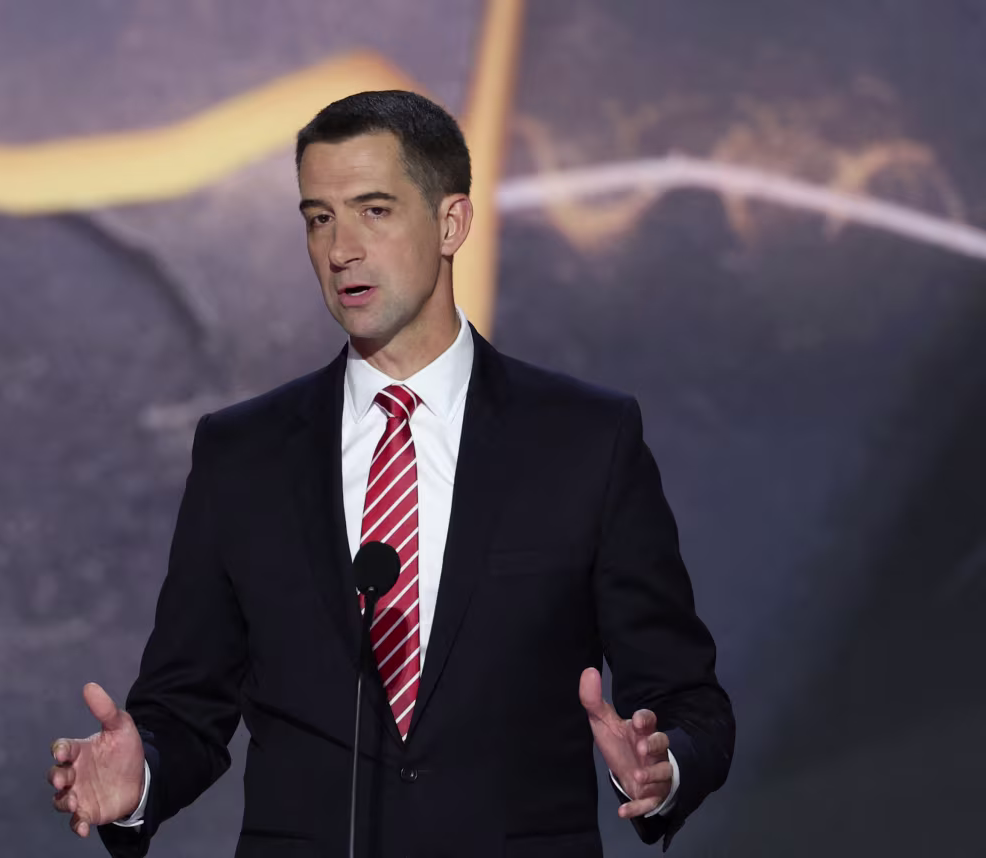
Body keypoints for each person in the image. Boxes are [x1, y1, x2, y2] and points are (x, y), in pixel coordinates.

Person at [47, 90, 734, 857]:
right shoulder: (242, 454)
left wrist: (662, 766)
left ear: (452, 223)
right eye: (318, 217)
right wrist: (141, 781)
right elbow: (186, 706)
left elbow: (685, 698)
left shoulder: (585, 441)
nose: (340, 249)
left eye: (374, 211)